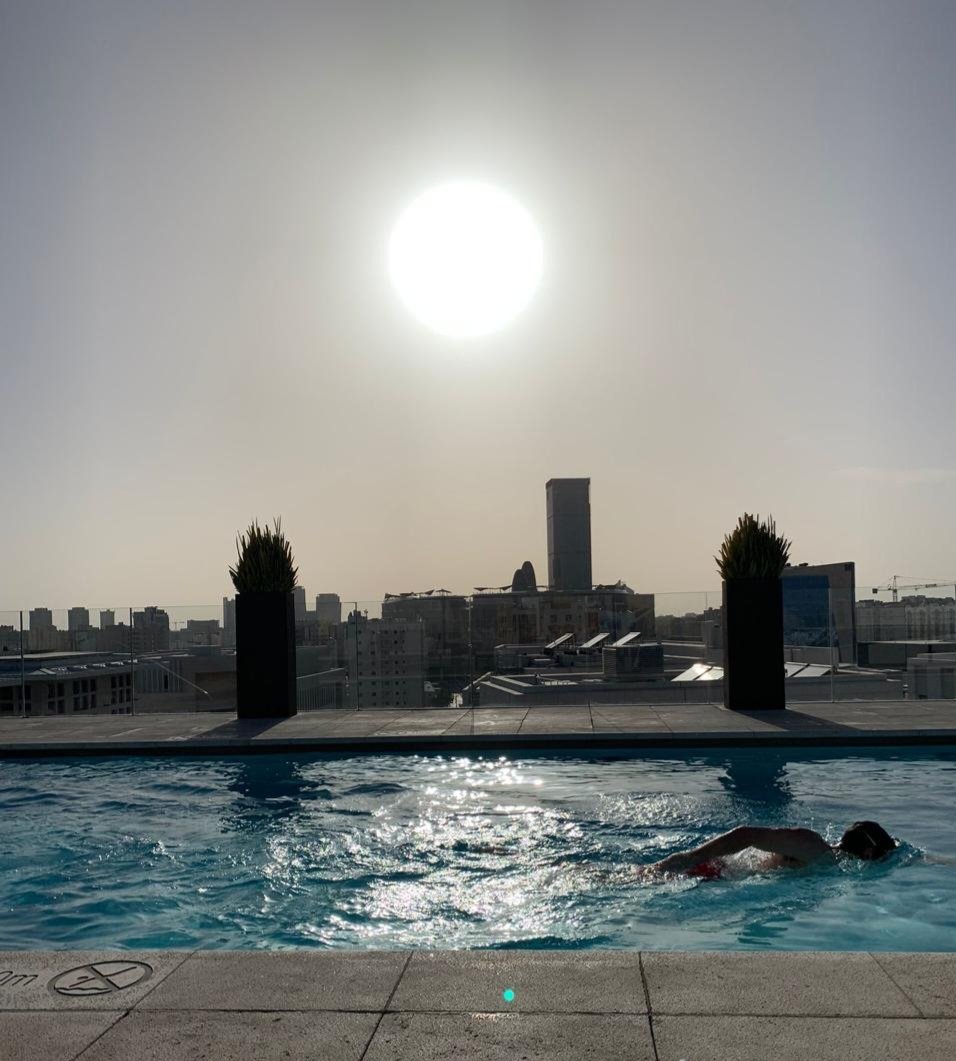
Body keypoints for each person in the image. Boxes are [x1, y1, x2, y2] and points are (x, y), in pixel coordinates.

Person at [650, 820, 897, 879]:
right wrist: (688, 859)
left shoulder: (830, 865)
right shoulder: (815, 848)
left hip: (716, 880)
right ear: (868, 854)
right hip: (706, 872)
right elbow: (746, 834)